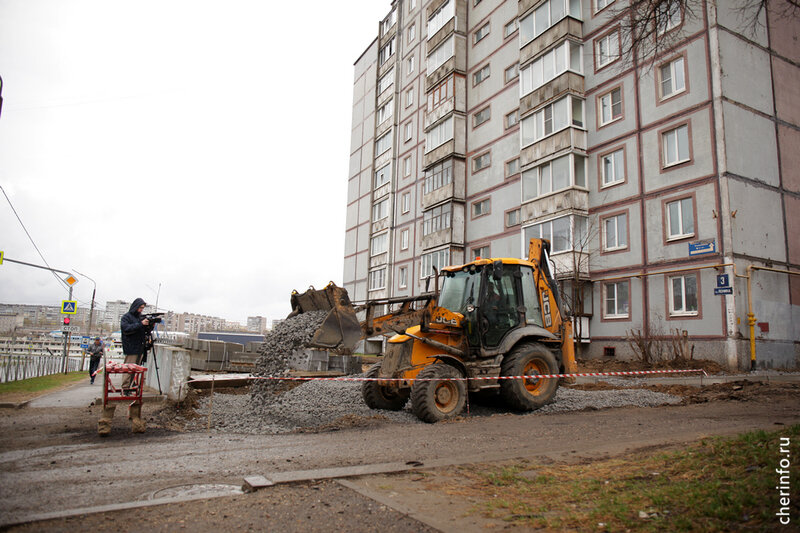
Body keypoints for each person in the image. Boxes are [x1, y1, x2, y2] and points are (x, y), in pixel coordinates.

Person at [98, 298, 149, 436]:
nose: (141, 310)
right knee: (129, 368)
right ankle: (126, 388)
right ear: (135, 306)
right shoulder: (127, 317)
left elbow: (139, 328)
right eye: (140, 308)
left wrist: (146, 325)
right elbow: (126, 329)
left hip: (140, 347)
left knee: (136, 369)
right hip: (131, 347)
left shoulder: (138, 317)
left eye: (143, 308)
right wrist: (140, 324)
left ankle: (132, 387)